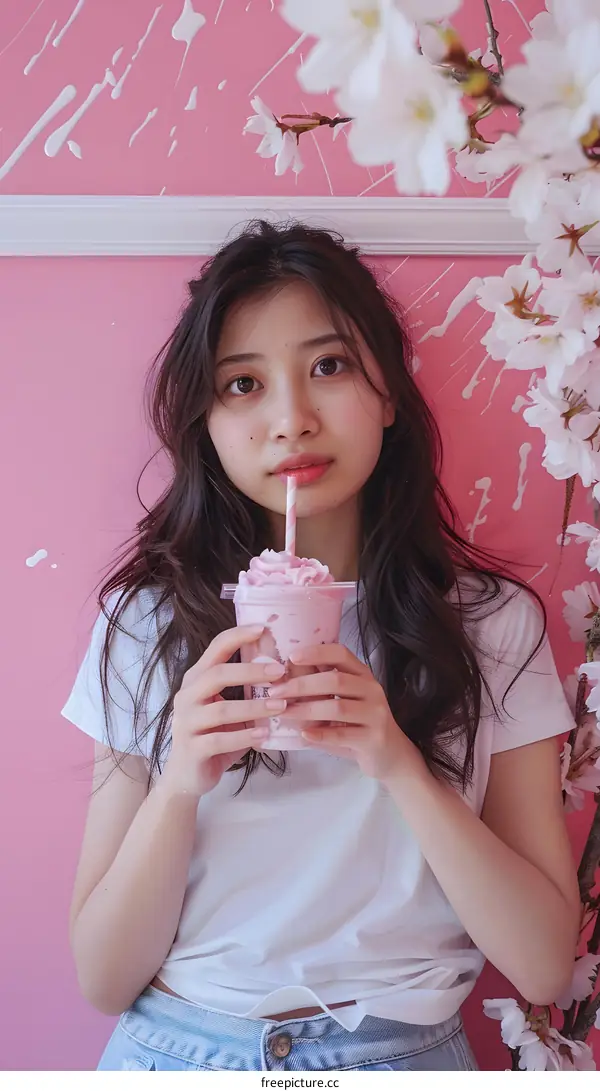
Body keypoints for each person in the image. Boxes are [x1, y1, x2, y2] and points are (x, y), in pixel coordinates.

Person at [62, 220, 580, 1073]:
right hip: (178, 1049)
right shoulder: (147, 624)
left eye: (328, 366)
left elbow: (542, 961)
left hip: (400, 1055)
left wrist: (400, 765)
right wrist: (179, 782)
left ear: (387, 392)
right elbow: (105, 976)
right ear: (207, 423)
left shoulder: (492, 625)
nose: (291, 418)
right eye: (242, 384)